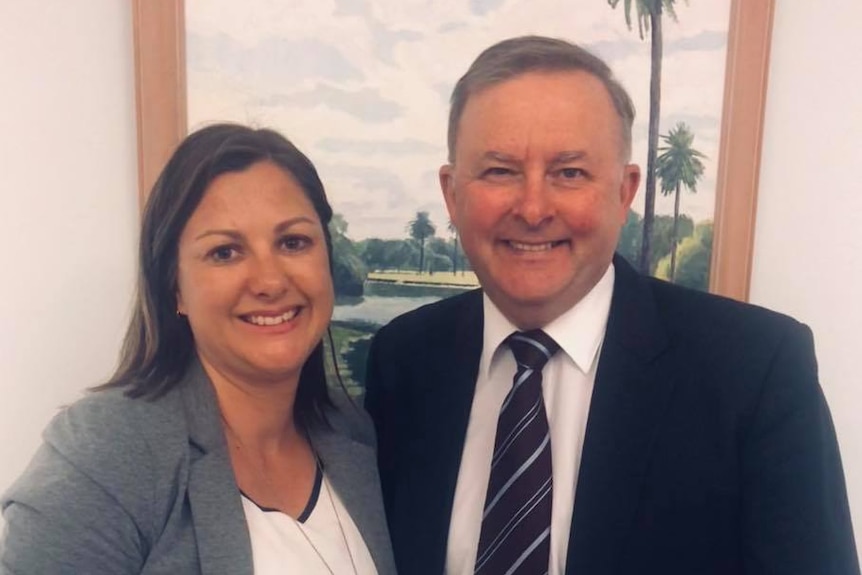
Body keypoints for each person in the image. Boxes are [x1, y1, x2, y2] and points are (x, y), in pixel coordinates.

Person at [364, 36, 859, 575]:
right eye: (500, 171)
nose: (532, 208)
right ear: (452, 193)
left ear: (624, 192)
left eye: (569, 172)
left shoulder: (755, 370)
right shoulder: (404, 359)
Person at [1, 124, 396, 575]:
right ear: (176, 290)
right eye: (225, 252)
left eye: (293, 242)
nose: (270, 281)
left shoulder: (354, 435)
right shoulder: (105, 453)